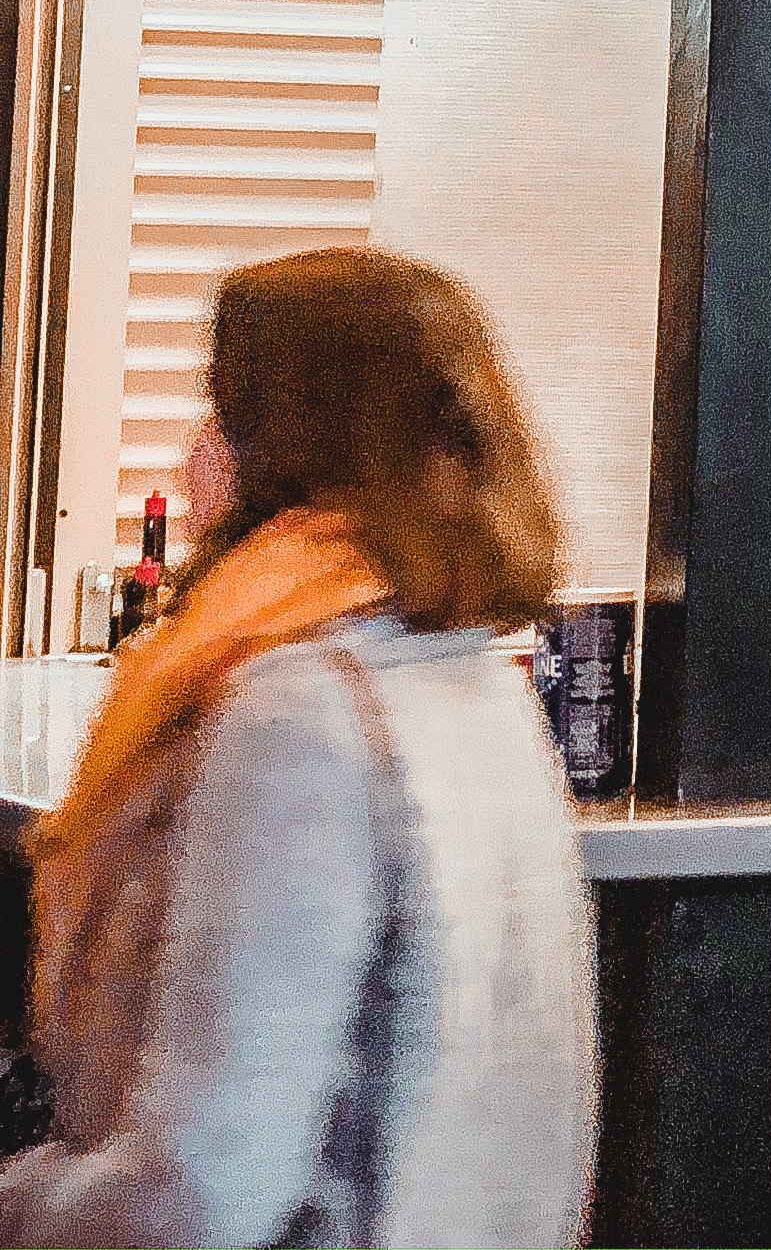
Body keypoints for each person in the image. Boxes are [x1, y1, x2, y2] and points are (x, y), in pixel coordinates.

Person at [0, 248, 595, 1249]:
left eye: (218, 415)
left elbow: (205, 1186)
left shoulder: (301, 710)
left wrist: (18, 1201)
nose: (192, 458)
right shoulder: (471, 683)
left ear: (287, 442)